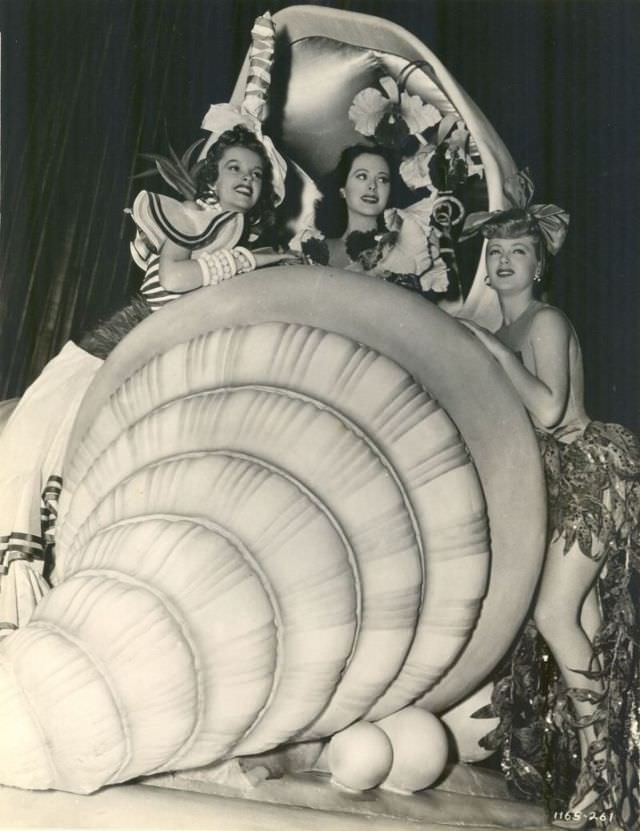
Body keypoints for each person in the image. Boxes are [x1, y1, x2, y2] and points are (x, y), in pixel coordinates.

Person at [0, 122, 295, 632]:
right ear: (211, 176)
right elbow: (172, 282)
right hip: (97, 363)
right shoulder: (192, 220)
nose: (246, 179)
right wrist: (252, 258)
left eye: (256, 172)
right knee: (31, 471)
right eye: (234, 168)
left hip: (152, 374)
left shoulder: (245, 239)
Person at [460, 196, 640, 830]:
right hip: (553, 486)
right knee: (579, 626)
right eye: (496, 252)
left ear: (539, 266)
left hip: (593, 469)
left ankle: (604, 776)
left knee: (554, 612)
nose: (505, 261)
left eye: (519, 252)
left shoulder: (543, 323)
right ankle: (611, 788)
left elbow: (549, 413)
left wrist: (497, 355)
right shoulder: (503, 330)